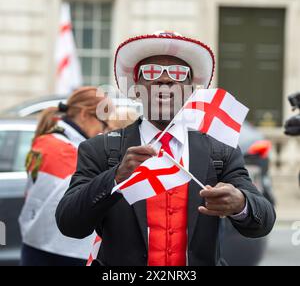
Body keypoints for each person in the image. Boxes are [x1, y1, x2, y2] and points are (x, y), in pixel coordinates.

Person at [56, 32, 276, 266]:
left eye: (178, 74)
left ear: (191, 89)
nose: (165, 80)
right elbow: (69, 224)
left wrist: (240, 204)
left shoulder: (220, 152)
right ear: (137, 88)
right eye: (151, 72)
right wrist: (115, 177)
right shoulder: (100, 149)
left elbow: (263, 221)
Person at [19, 86, 113, 266]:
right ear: (85, 114)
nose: (105, 129)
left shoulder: (47, 140)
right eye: (103, 122)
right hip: (64, 251)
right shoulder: (70, 150)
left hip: (38, 243)